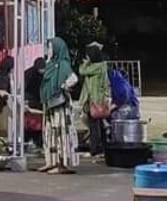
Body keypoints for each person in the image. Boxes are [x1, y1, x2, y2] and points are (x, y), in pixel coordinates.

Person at [39, 37, 79, 174]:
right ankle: (51, 162)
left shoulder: (63, 64)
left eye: (50, 48)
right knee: (50, 134)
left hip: (60, 107)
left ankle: (62, 164)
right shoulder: (50, 64)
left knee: (60, 134)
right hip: (50, 106)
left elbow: (73, 78)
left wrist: (64, 86)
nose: (48, 51)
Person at [75, 41, 111, 157]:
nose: (87, 58)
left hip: (96, 100)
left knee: (94, 125)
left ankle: (95, 148)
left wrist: (85, 63)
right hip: (95, 99)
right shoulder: (101, 65)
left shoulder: (97, 67)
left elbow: (82, 71)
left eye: (88, 55)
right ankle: (104, 146)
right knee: (99, 124)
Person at [22, 56, 46, 149]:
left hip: (39, 100)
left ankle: (37, 142)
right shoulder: (28, 74)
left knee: (37, 124)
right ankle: (28, 142)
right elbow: (24, 88)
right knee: (31, 124)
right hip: (30, 101)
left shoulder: (42, 74)